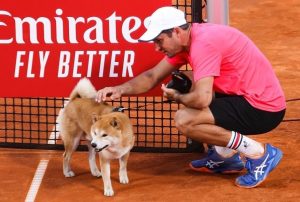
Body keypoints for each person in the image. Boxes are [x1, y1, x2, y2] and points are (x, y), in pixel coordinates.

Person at [95, 6, 286, 188]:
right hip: (242, 97)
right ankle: (225, 157)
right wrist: (120, 89)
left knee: (185, 119)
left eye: (159, 40)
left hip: (262, 108)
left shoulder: (203, 44)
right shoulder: (188, 41)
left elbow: (202, 100)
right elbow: (152, 76)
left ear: (176, 31)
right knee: (187, 80)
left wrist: (177, 96)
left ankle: (259, 154)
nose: (156, 48)